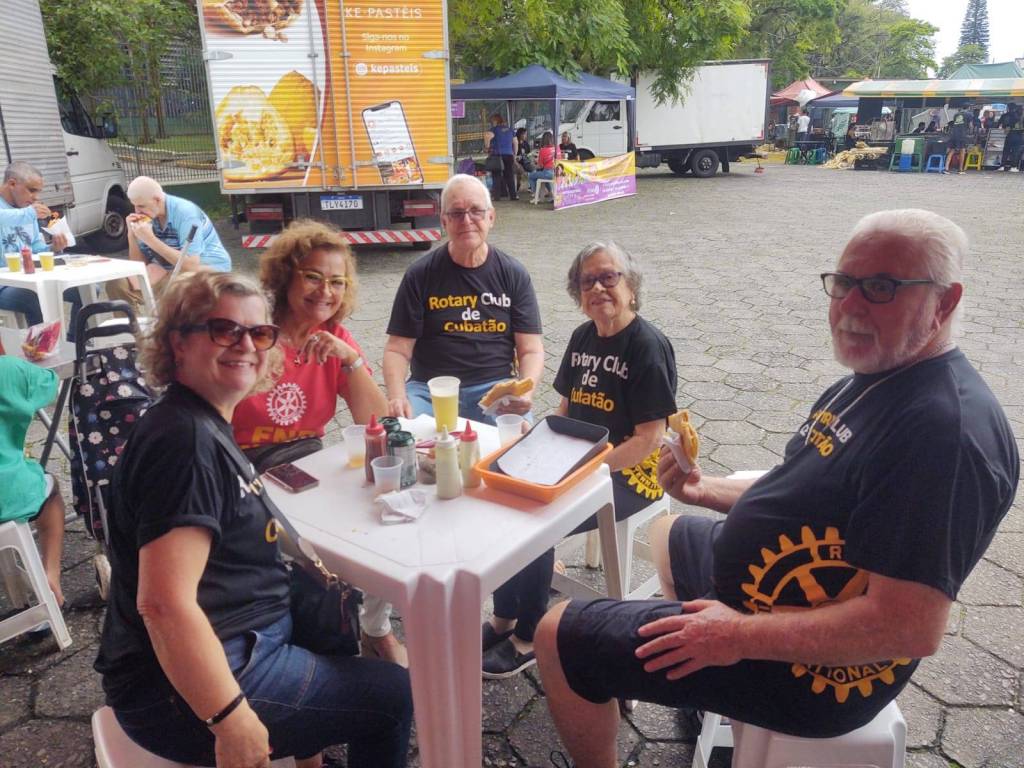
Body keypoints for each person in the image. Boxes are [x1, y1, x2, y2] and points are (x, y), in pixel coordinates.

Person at [533, 209, 1018, 767]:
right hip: (768, 594)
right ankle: (701, 695)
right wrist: (704, 489)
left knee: (557, 633)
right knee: (667, 533)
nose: (850, 307)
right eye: (844, 283)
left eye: (882, 288)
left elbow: (906, 627)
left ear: (945, 302)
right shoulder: (881, 376)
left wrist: (734, 637)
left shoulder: (943, 436)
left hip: (815, 674)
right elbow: (805, 491)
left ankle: (698, 682)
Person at [94, 271, 412, 768]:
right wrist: (230, 718)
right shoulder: (185, 443)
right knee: (393, 695)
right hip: (186, 688)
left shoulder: (196, 419)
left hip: (236, 641)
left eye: (260, 333)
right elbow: (162, 604)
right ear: (178, 343)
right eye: (225, 330)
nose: (246, 345)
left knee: (325, 625)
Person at [482, 242, 677, 679]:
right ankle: (505, 616)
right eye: (588, 281)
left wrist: (584, 471)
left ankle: (529, 635)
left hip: (633, 473)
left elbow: (649, 439)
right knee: (507, 496)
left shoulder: (647, 346)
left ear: (631, 287)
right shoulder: (582, 337)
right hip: (580, 461)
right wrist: (537, 440)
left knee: (538, 519)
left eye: (609, 277)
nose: (598, 288)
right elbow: (567, 410)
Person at [231, 219, 407, 667]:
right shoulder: (254, 333)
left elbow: (379, 422)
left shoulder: (335, 339)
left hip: (307, 459)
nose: (325, 291)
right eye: (312, 276)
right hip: (242, 463)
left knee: (386, 511)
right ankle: (325, 651)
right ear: (285, 276)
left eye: (337, 281)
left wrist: (351, 362)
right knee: (315, 556)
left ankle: (374, 628)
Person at [383, 174, 543, 425]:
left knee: (518, 441)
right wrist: (396, 396)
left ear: (491, 217)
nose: (467, 220)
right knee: (402, 434)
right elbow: (397, 349)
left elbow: (531, 349)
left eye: (476, 211)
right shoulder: (420, 274)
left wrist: (525, 393)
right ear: (444, 221)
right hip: (430, 389)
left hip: (494, 389)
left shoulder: (514, 274)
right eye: (456, 213)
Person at [106, 175, 232, 312]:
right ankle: (133, 325)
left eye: (141, 206)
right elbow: (139, 266)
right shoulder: (150, 215)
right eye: (134, 205)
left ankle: (168, 324)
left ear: (157, 200)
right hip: (167, 270)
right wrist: (131, 235)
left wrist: (151, 240)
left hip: (207, 269)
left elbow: (191, 265)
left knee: (171, 285)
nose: (137, 211)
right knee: (116, 284)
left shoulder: (186, 213)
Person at [0, 352, 65, 608]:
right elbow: (51, 382)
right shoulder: (11, 369)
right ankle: (51, 576)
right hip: (9, 491)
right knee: (51, 491)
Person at [0, 162, 81, 335]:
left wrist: (54, 248)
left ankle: (75, 343)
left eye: (38, 191)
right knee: (34, 297)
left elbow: (36, 248)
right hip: (4, 285)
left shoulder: (25, 210)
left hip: (31, 278)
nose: (36, 197)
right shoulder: (25, 212)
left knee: (86, 289)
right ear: (12, 183)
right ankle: (43, 349)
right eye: (32, 190)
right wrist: (30, 213)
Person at [484, 114, 517, 201]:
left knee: (496, 176)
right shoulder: (510, 129)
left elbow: (487, 136)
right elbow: (515, 142)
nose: (491, 123)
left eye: (492, 121)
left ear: (495, 121)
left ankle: (497, 196)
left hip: (497, 155)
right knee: (509, 175)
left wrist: (487, 147)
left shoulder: (494, 129)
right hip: (509, 155)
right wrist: (515, 154)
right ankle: (513, 195)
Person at [996, 104, 1022, 172]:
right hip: (1017, 135)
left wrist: (1005, 127)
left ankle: (1002, 166)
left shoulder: (1004, 115)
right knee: (1015, 152)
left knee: (1006, 151)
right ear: (1015, 108)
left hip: (1008, 135)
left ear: (1008, 108)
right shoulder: (1017, 115)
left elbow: (997, 125)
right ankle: (1013, 167)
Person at [944, 109, 969, 174]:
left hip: (954, 134)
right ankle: (960, 169)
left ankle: (946, 169)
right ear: (968, 108)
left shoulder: (955, 115)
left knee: (951, 151)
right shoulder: (968, 114)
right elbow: (971, 125)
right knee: (962, 151)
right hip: (962, 135)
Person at [513, 127, 533, 193]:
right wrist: (517, 158)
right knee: (519, 170)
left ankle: (531, 187)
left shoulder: (526, 144)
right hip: (516, 163)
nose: (526, 136)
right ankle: (517, 185)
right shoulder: (515, 143)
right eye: (524, 134)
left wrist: (529, 156)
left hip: (525, 162)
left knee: (533, 169)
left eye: (526, 134)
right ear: (520, 134)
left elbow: (529, 154)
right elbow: (512, 155)